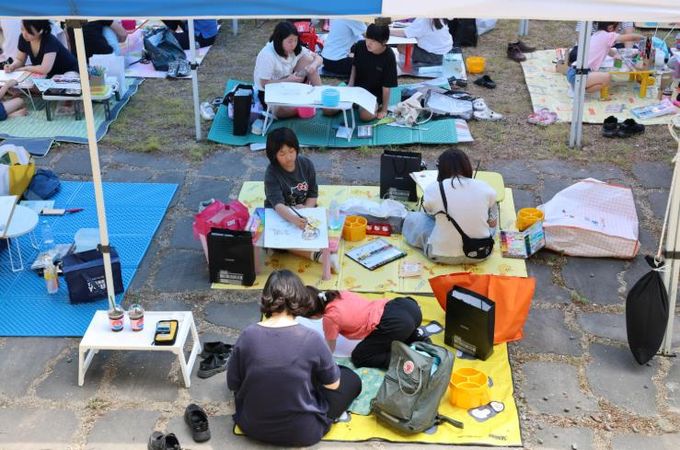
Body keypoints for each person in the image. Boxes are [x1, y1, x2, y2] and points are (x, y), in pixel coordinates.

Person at [227, 270, 362, 447]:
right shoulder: (312, 338)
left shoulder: (248, 335)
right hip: (304, 432)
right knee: (350, 379)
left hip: (252, 426)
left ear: (265, 297)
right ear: (300, 298)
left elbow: (233, 384)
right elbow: (333, 385)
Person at [263, 127, 340, 272]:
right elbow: (278, 204)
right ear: (273, 155)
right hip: (281, 214)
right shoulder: (271, 173)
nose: (288, 157)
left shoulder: (306, 165)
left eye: (291, 151)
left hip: (304, 210)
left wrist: (307, 210)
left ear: (297, 149)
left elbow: (312, 194)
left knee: (325, 223)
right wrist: (293, 219)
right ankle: (320, 257)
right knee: (282, 241)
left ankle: (329, 250)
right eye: (282, 154)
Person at [403, 148, 498, 264]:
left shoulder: (434, 188)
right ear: (467, 166)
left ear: (441, 169)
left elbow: (427, 212)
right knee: (491, 224)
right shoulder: (485, 187)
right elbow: (492, 224)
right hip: (481, 253)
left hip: (441, 255)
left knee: (415, 218)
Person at [303, 287, 431, 369]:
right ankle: (415, 335)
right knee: (389, 336)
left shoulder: (330, 317)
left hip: (396, 323)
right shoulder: (338, 294)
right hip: (407, 306)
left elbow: (329, 348)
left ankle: (405, 359)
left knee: (360, 356)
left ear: (314, 315)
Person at [253, 21, 323, 119]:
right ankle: (302, 107)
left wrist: (313, 65)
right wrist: (288, 80)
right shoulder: (267, 55)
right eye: (289, 41)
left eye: (295, 40)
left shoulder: (296, 48)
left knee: (309, 60)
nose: (293, 44)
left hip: (289, 84)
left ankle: (320, 95)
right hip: (269, 91)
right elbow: (264, 84)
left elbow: (319, 58)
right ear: (279, 40)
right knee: (279, 111)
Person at [566, 22, 643, 94]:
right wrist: (642, 37)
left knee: (602, 78)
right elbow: (629, 37)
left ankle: (577, 88)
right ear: (610, 28)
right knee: (607, 78)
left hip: (573, 70)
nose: (618, 30)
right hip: (578, 74)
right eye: (617, 27)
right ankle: (578, 90)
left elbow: (609, 51)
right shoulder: (608, 36)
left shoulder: (597, 35)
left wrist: (617, 55)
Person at [349, 23, 398, 121]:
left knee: (365, 116)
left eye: (374, 41)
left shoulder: (389, 56)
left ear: (384, 41)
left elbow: (386, 86)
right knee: (329, 110)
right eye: (368, 38)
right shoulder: (360, 45)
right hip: (357, 88)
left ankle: (369, 107)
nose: (369, 43)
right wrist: (350, 85)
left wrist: (384, 110)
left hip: (373, 94)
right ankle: (357, 104)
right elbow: (354, 66)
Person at [4, 20, 78, 78]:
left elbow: (44, 69)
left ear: (41, 30)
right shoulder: (23, 38)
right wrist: (12, 66)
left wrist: (26, 68)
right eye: (22, 29)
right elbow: (20, 60)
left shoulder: (49, 40)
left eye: (29, 31)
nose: (24, 34)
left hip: (69, 72)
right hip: (50, 75)